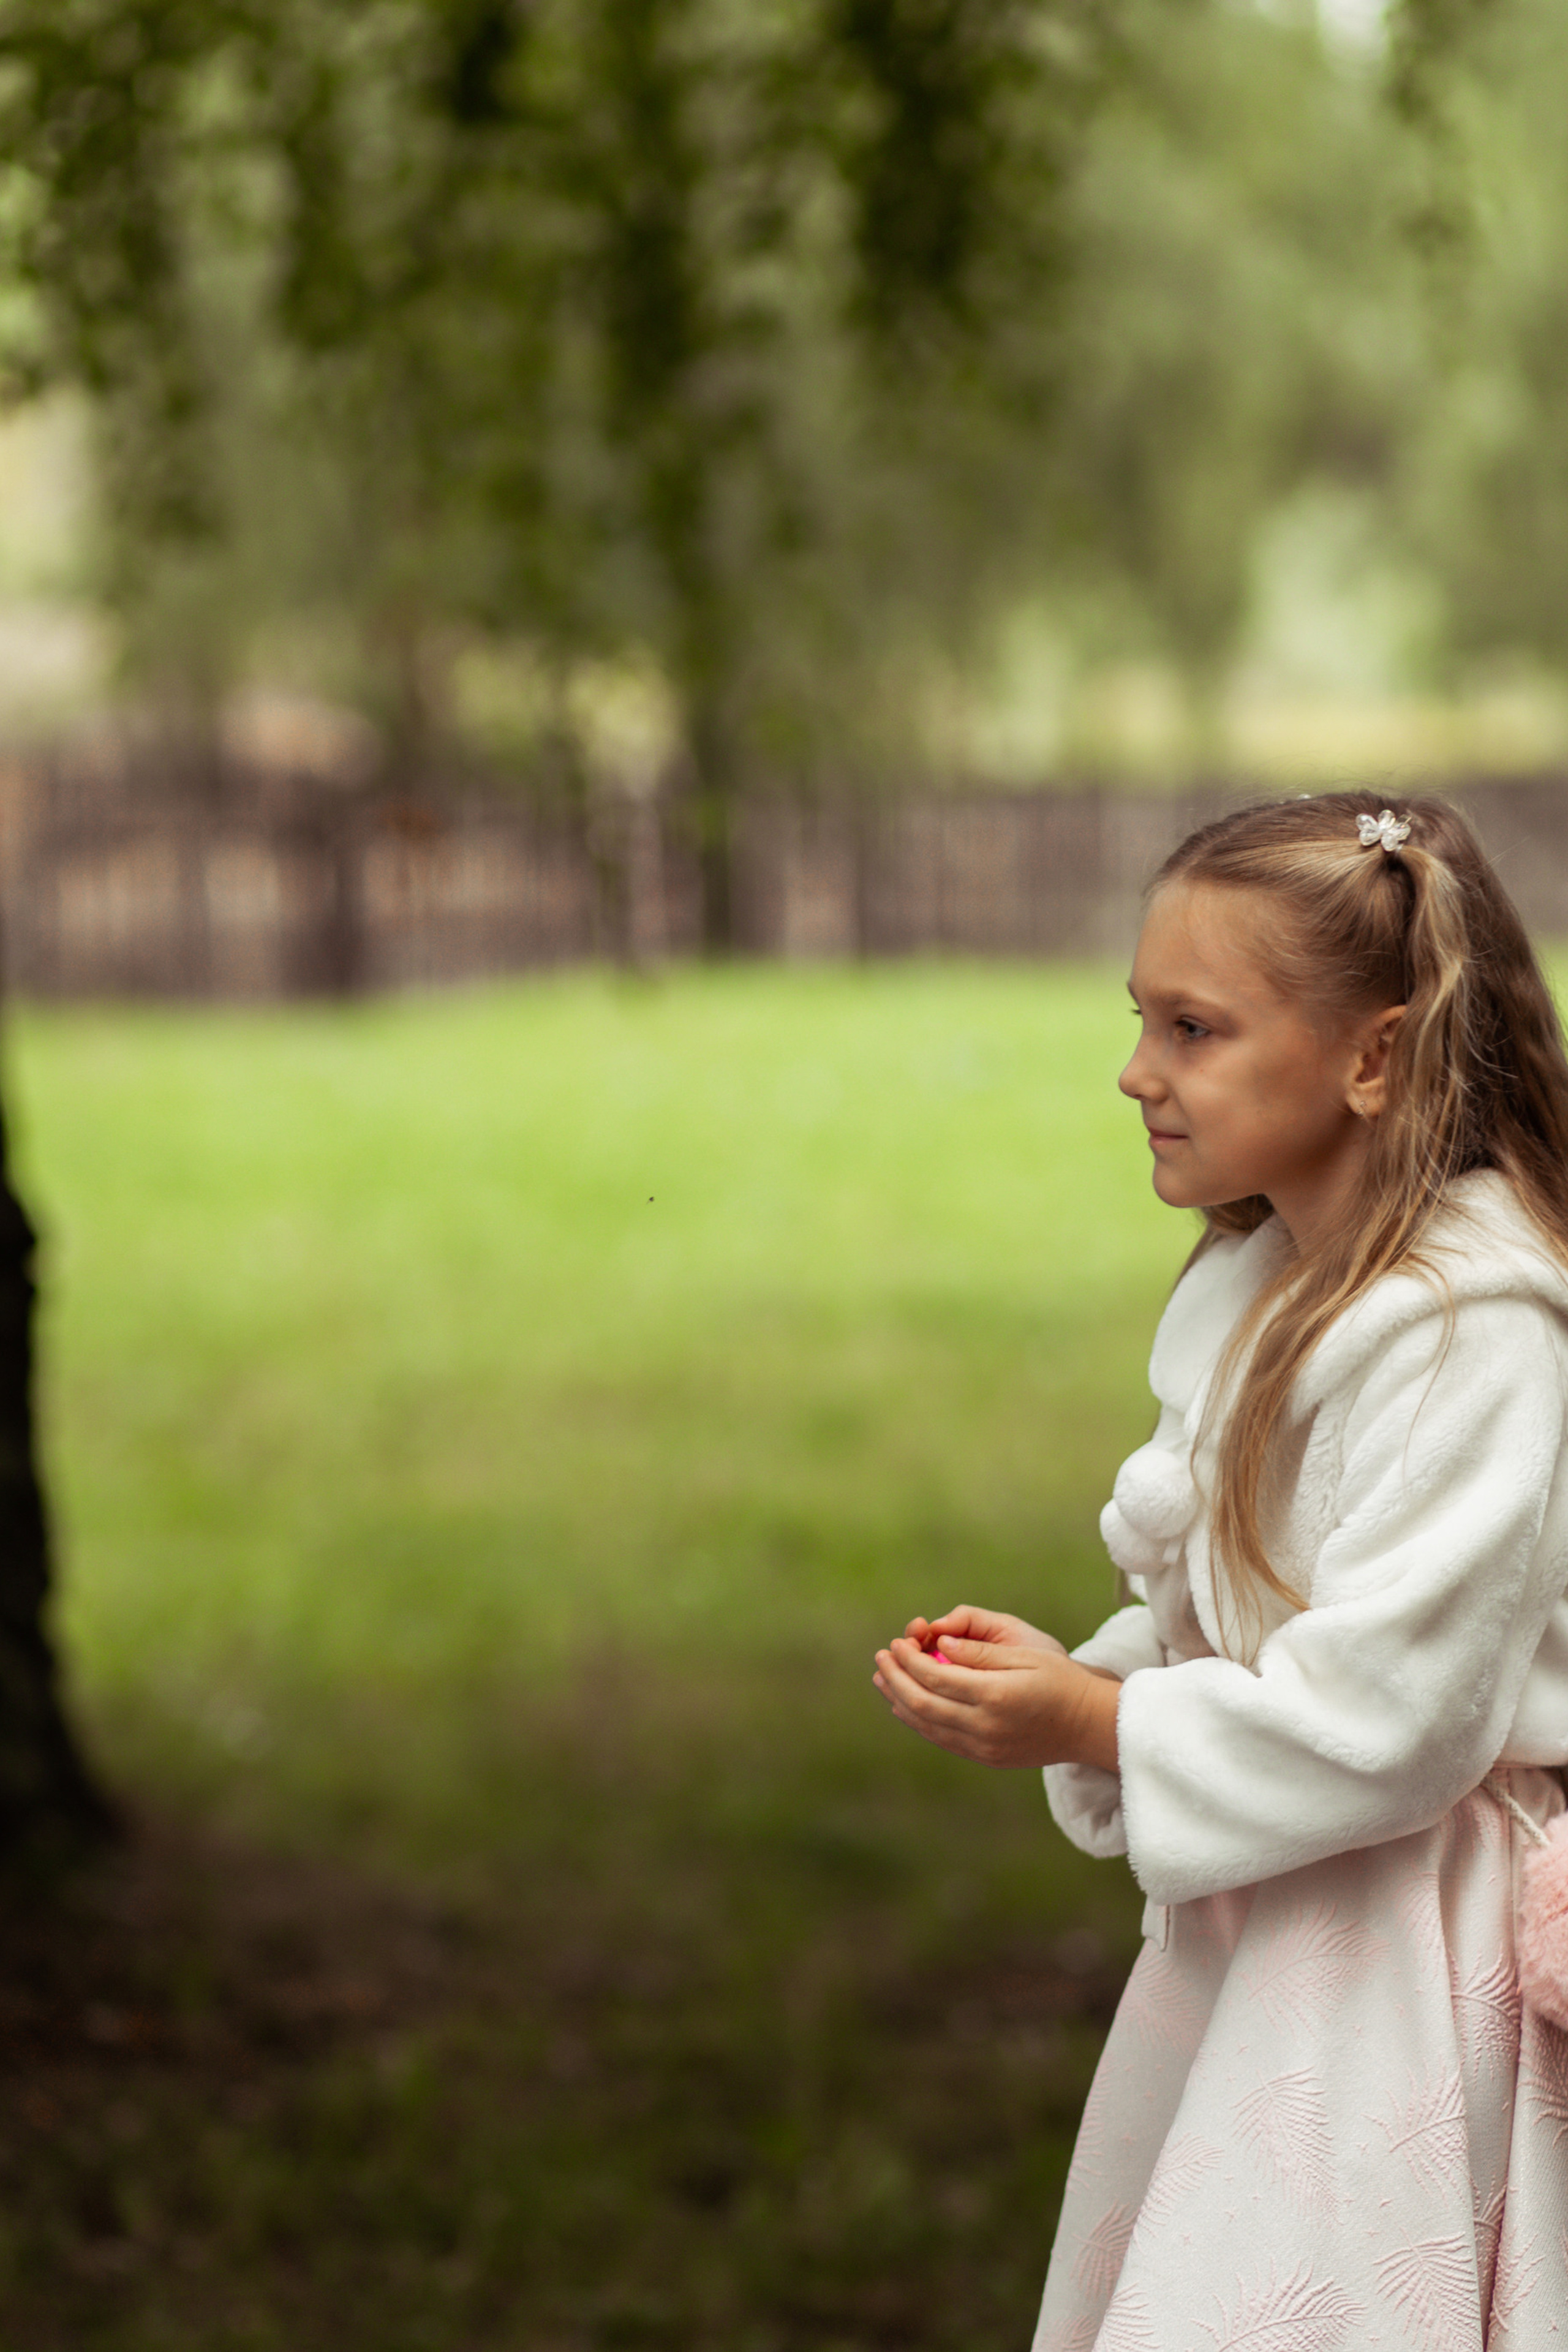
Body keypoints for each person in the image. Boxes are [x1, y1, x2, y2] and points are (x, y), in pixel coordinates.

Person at [873, 791, 1568, 2349]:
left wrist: (1098, 1723)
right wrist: (1084, 1679)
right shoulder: (1274, 1290)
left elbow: (1395, 1715)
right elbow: (1251, 1628)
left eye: (1191, 1029)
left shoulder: (1469, 1332)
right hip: (1277, 1922)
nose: (1137, 1072)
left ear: (1373, 1057)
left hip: (1400, 1959)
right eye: (1141, 1021)